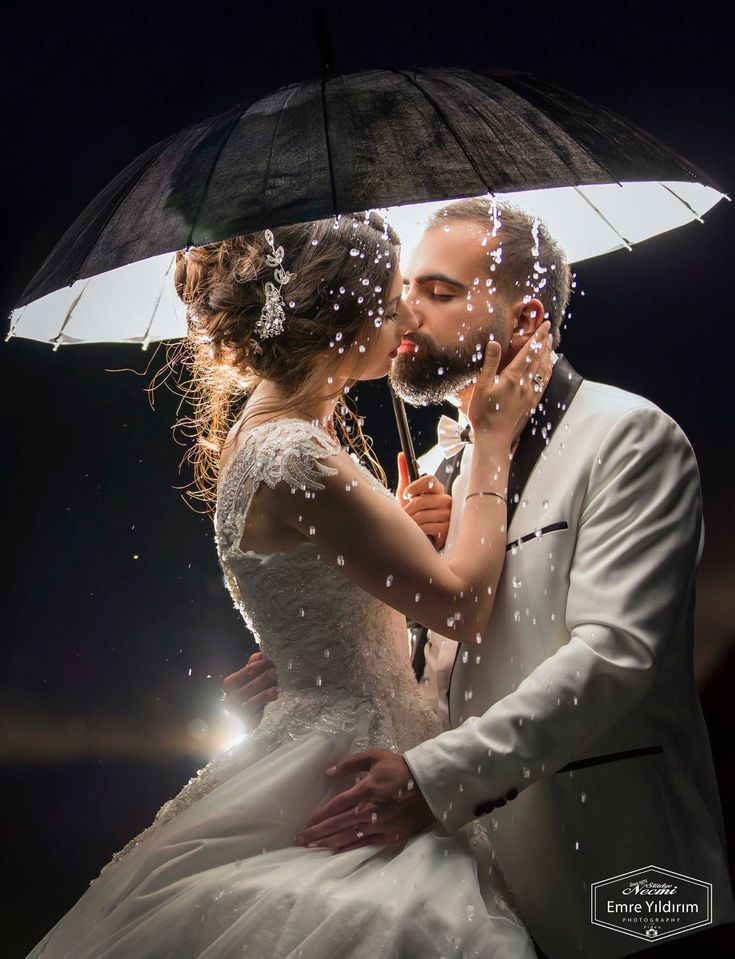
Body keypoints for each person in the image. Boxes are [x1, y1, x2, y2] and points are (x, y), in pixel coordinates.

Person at [25, 211, 553, 959]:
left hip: (316, 729)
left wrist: (397, 532)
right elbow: (463, 607)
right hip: (352, 756)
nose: (408, 313)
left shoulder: (266, 430)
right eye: (393, 294)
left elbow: (323, 586)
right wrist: (493, 442)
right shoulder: (298, 454)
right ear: (341, 312)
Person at [237, 199, 735, 958]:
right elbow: (430, 665)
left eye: (437, 292)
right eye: (405, 288)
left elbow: (613, 656)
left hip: (624, 880)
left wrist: (430, 776)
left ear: (525, 318)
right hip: (465, 885)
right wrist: (320, 660)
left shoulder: (628, 437)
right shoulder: (438, 472)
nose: (405, 311)